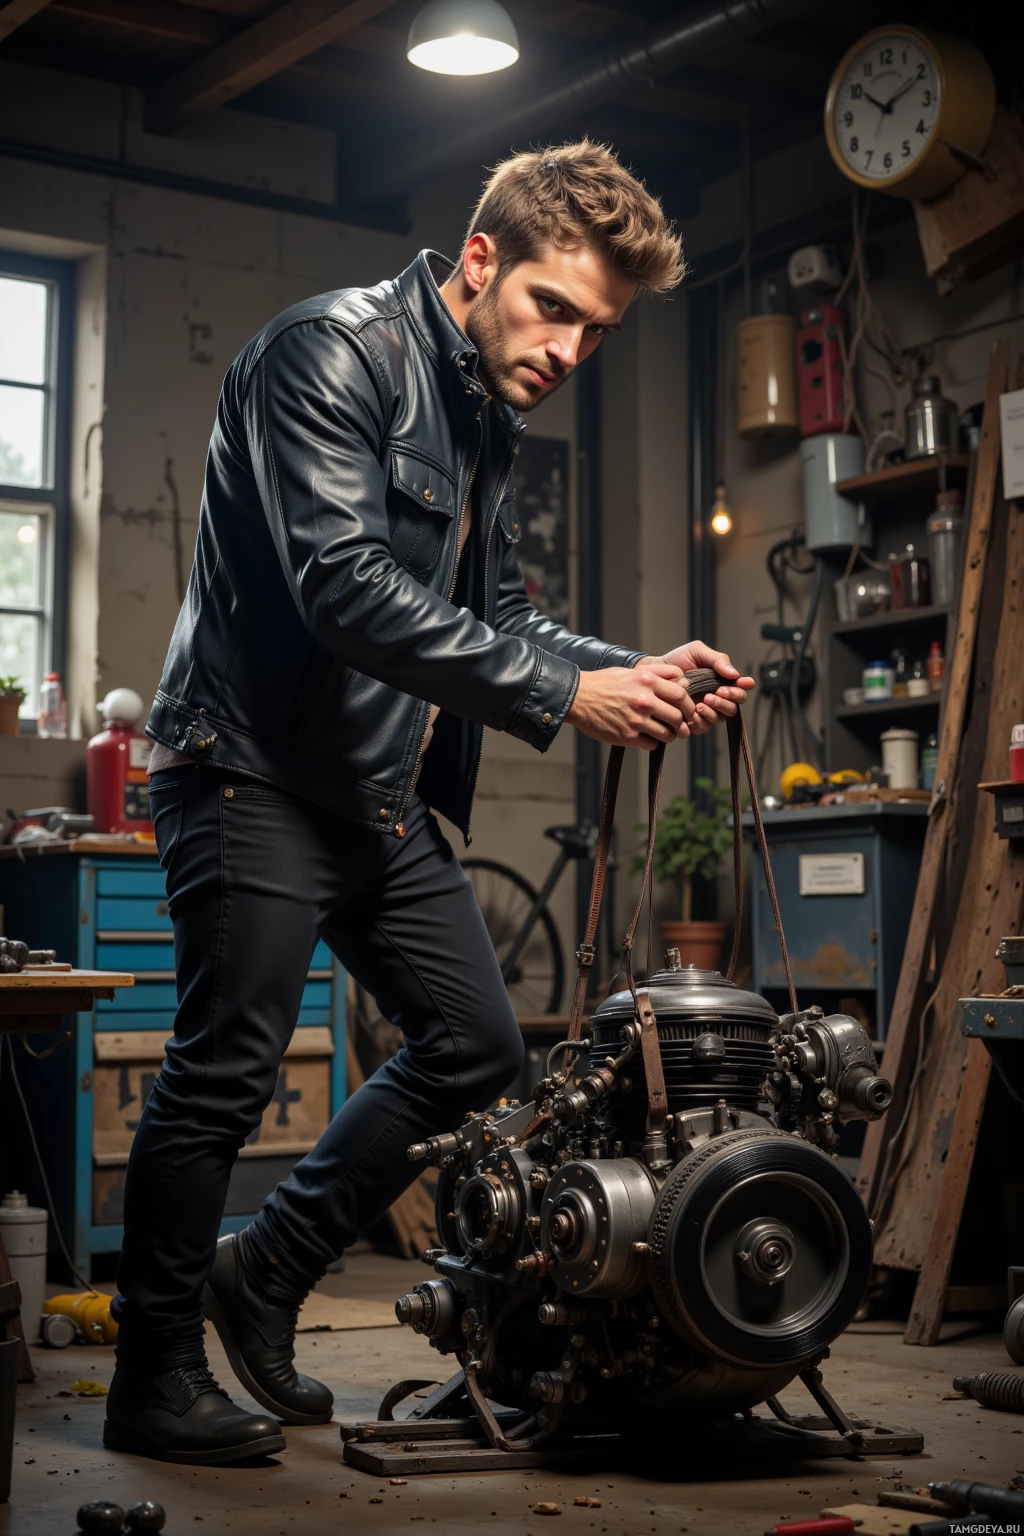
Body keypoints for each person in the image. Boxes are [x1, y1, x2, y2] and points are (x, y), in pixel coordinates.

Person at [104, 139, 755, 1465]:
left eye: (596, 329)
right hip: (249, 765)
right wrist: (563, 702)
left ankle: (265, 1269)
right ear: (480, 262)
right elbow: (340, 586)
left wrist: (621, 669)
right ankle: (153, 1373)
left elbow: (496, 620)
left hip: (369, 787)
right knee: (227, 1067)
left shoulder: (487, 422)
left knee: (476, 1042)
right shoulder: (328, 357)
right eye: (551, 307)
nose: (570, 348)